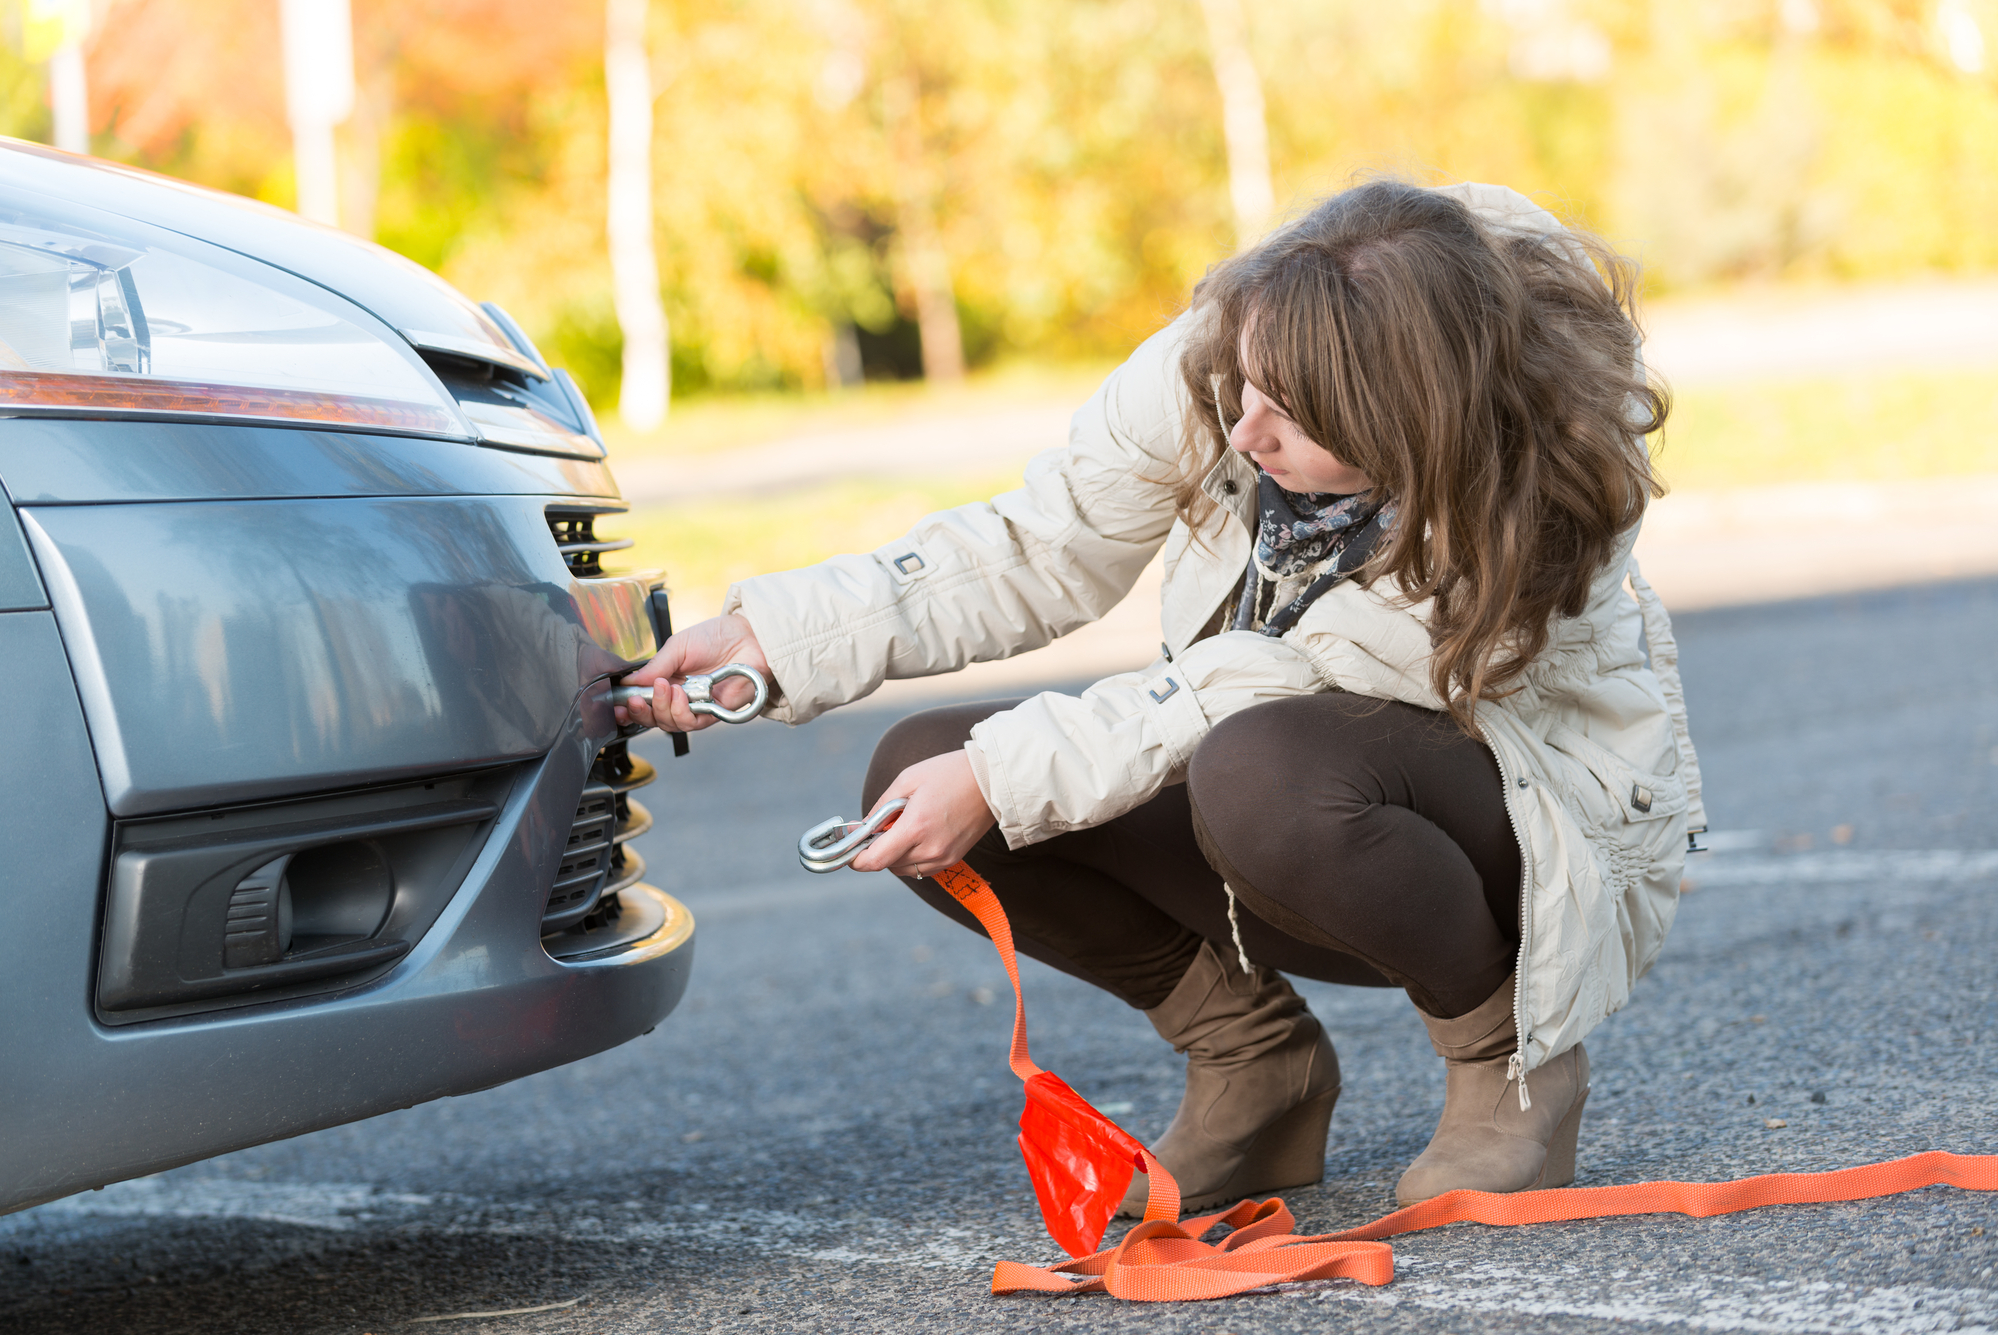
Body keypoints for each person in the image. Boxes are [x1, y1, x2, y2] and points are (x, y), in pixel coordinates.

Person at [617, 178, 1703, 1214]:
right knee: (918, 767)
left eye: (1293, 417)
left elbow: (1294, 671)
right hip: (1278, 778)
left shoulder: (1543, 471)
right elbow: (1041, 544)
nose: (1244, 433)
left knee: (1261, 769)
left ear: (1409, 417)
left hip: (1508, 834)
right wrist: (773, 641)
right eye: (1248, 388)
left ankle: (1506, 1065)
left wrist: (999, 774)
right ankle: (1252, 1065)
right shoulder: (1238, 350)